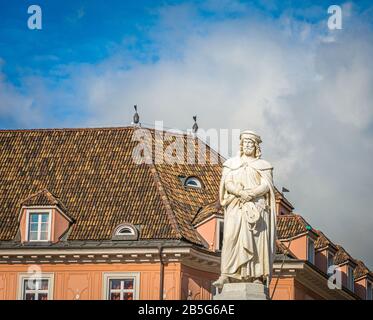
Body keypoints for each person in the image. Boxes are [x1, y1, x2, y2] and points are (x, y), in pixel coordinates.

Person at [213, 130, 277, 288]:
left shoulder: (264, 166)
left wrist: (251, 194)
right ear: (241, 145)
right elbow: (227, 183)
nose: (248, 145)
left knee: (256, 242)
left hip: (257, 207)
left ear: (256, 147)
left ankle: (256, 275)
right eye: (245, 143)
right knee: (230, 238)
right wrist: (240, 193)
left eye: (251, 143)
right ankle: (226, 275)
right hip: (236, 204)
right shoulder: (231, 164)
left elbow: (266, 186)